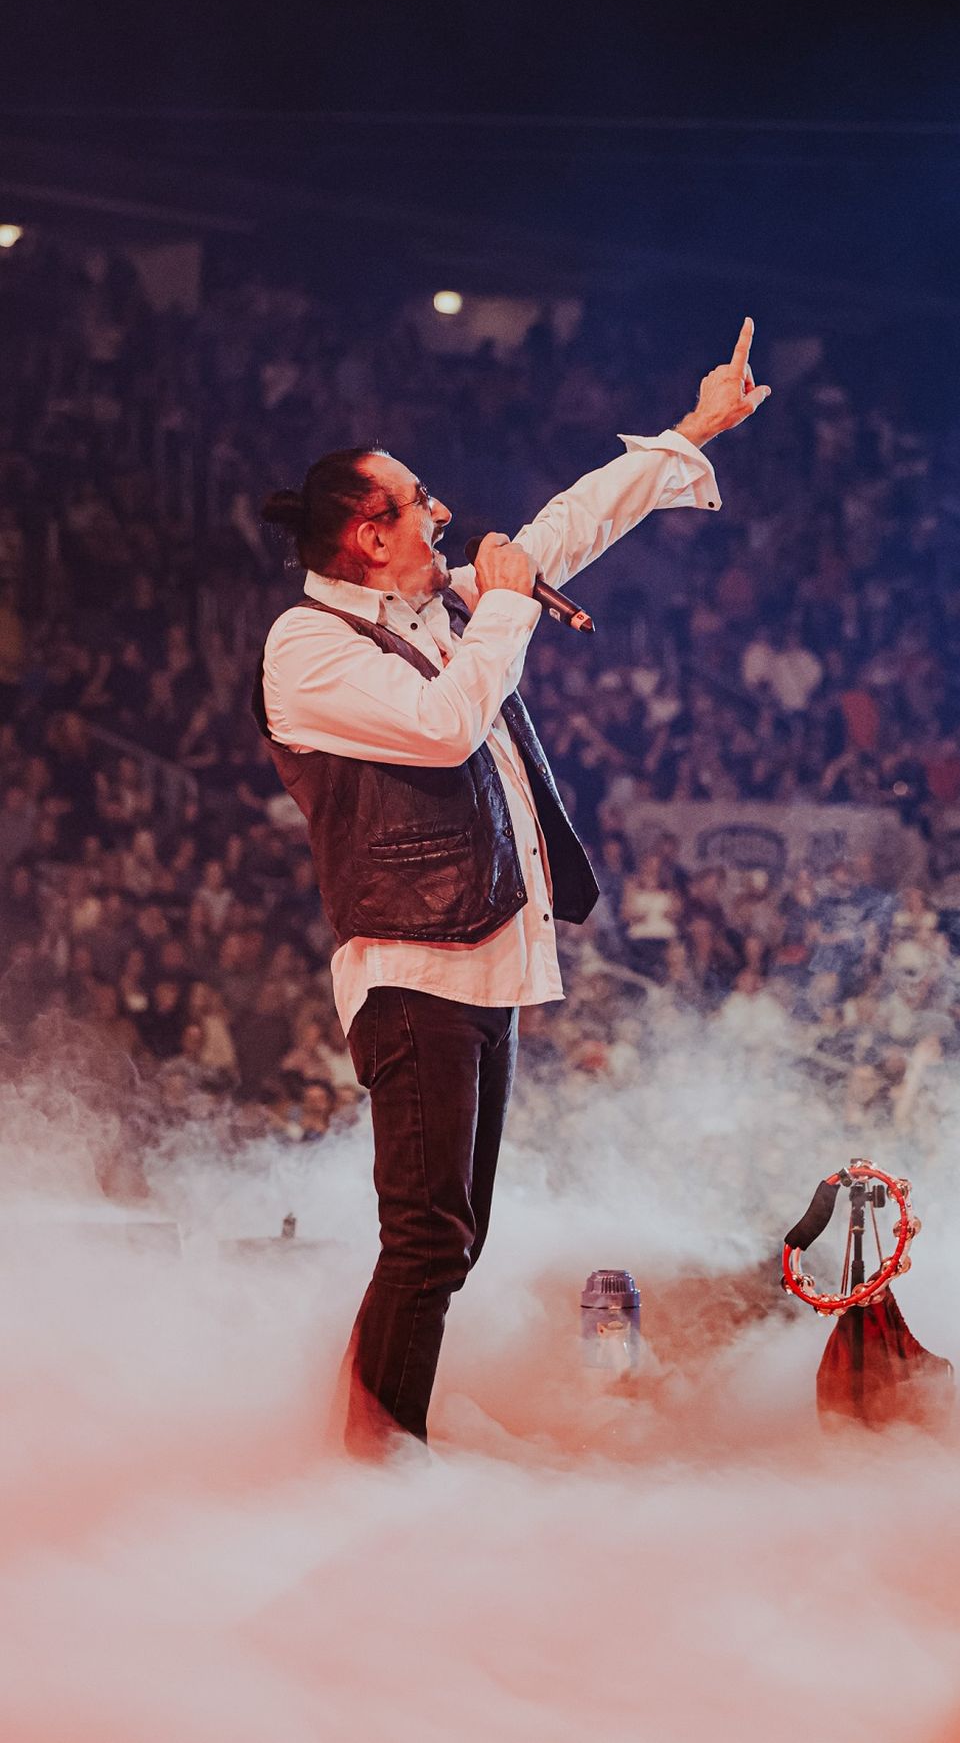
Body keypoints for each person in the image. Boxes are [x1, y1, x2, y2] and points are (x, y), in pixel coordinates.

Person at [253, 318, 768, 1454]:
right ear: (367, 533)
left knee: (451, 1241)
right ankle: (374, 1463)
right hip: (414, 970)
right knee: (426, 1241)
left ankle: (373, 1442)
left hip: (480, 959)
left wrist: (691, 431)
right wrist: (504, 603)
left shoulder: (434, 607)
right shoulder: (307, 646)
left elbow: (562, 529)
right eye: (418, 502)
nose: (443, 512)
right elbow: (444, 727)